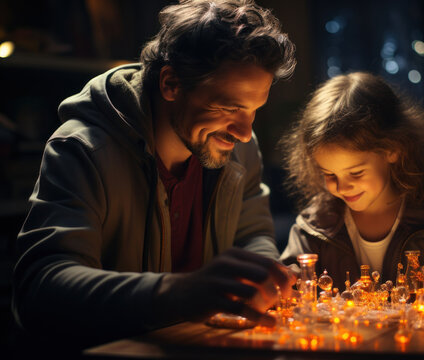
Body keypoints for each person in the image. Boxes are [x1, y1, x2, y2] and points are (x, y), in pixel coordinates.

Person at [12, 0, 296, 348]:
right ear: (171, 83)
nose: (243, 131)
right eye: (229, 107)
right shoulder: (84, 149)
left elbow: (252, 233)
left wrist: (264, 276)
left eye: (253, 110)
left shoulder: (240, 146)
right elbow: (40, 291)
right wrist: (176, 293)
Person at [279, 72, 424, 291]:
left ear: (393, 150)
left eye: (356, 173)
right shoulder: (312, 229)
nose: (342, 187)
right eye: (330, 174)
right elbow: (286, 293)